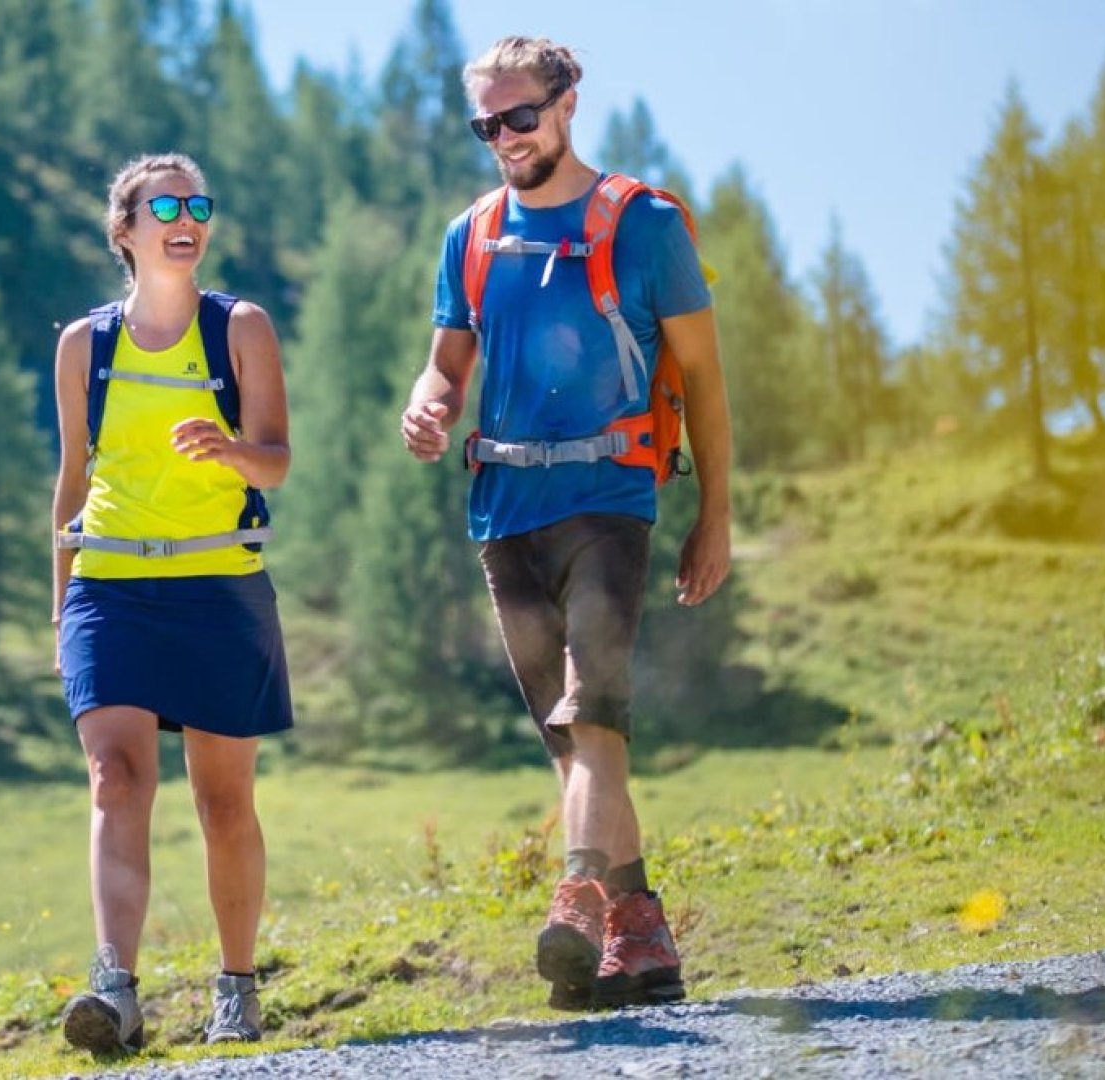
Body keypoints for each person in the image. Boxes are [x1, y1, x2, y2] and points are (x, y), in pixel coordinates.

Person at [400, 37, 732, 1011]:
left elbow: (706, 382)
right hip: (504, 512)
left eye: (521, 117)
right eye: (487, 124)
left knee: (593, 714)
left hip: (608, 502)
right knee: (574, 740)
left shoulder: (647, 226)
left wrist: (715, 512)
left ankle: (580, 900)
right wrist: (428, 404)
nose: (505, 137)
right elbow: (445, 364)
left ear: (568, 101)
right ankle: (645, 941)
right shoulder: (471, 235)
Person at [51, 152, 293, 1051]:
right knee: (116, 778)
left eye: (198, 204)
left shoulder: (242, 329)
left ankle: (236, 988)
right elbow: (73, 478)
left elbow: (276, 460)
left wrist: (232, 450)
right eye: (166, 207)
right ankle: (114, 990)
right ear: (127, 231)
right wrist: (60, 606)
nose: (186, 218)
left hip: (218, 583)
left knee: (223, 802)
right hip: (109, 585)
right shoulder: (85, 344)